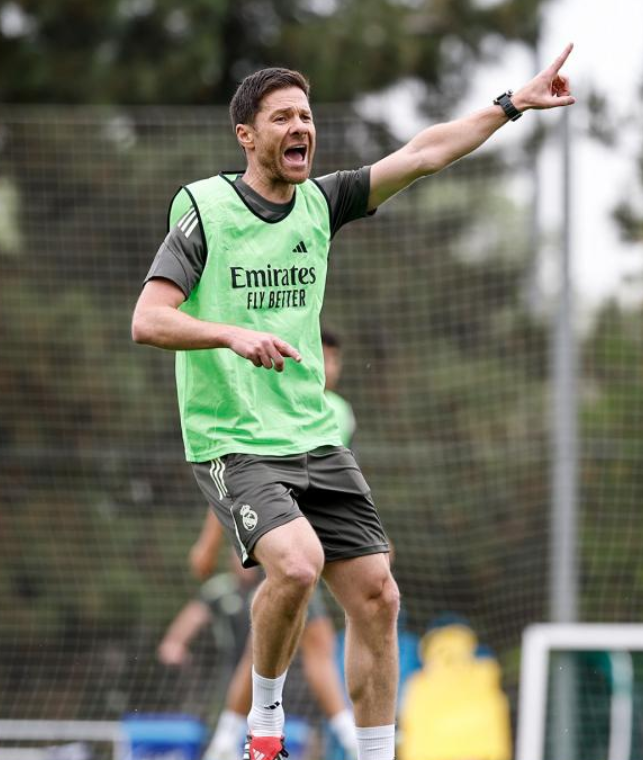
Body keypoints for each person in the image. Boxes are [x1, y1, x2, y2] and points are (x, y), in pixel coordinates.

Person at [132, 47, 574, 760]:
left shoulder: (322, 201)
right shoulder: (206, 208)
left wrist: (512, 104)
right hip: (233, 439)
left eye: (305, 116)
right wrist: (231, 334)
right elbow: (148, 320)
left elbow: (424, 153)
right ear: (246, 135)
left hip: (312, 436)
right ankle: (263, 729)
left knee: (378, 595)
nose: (300, 127)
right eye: (282, 117)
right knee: (297, 564)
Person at [159, 514, 357, 760]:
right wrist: (208, 542)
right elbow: (223, 492)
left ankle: (349, 736)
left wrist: (359, 534)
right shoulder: (223, 588)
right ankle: (227, 740)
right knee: (260, 648)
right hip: (278, 546)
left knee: (318, 639)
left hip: (299, 550)